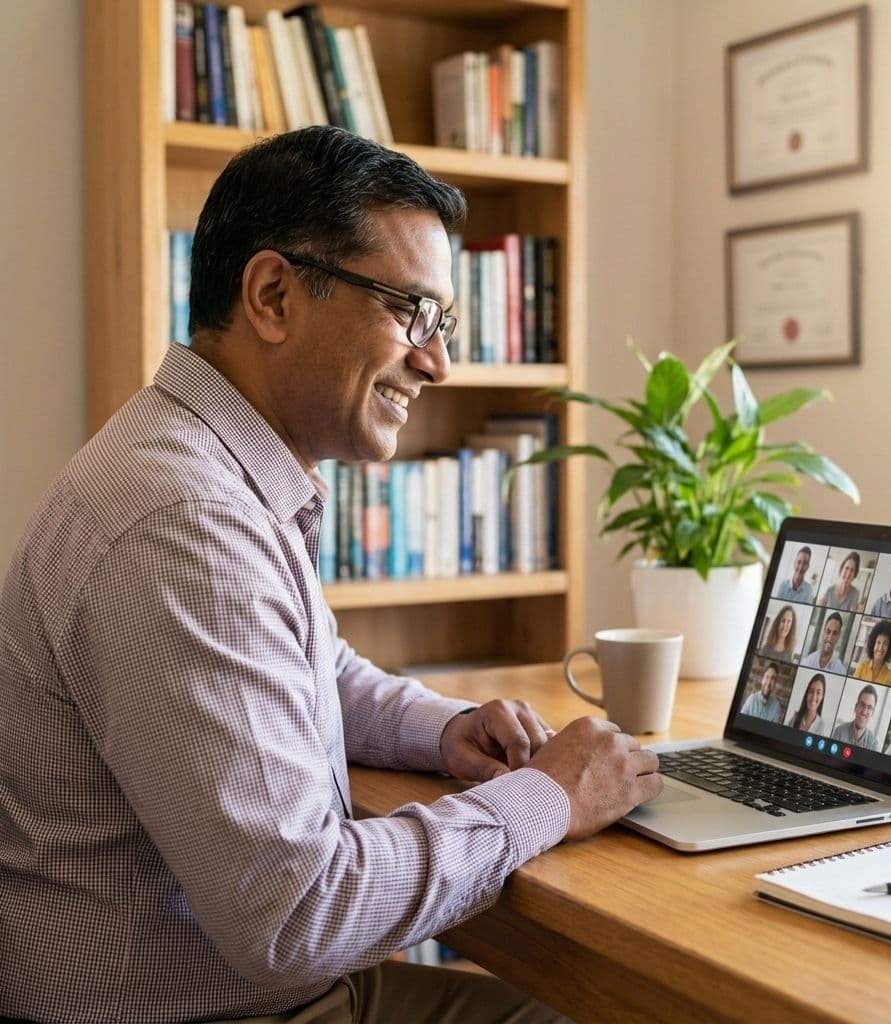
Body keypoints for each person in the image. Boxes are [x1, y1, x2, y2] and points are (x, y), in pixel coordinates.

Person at [0, 128, 664, 1024]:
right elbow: (298, 914)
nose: (437, 361)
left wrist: (448, 730)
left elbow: (301, 668)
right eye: (411, 312)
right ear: (274, 295)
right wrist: (547, 796)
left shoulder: (203, 467)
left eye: (444, 324)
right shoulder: (183, 520)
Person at [852, 619, 891, 686]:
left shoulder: (890, 676)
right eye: (878, 642)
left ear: (890, 648)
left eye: (885, 644)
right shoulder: (862, 667)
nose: (880, 648)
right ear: (873, 644)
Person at [831, 685, 881, 751]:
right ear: (855, 707)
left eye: (869, 707)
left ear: (872, 713)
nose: (864, 712)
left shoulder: (873, 744)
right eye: (862, 705)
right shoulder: (840, 731)